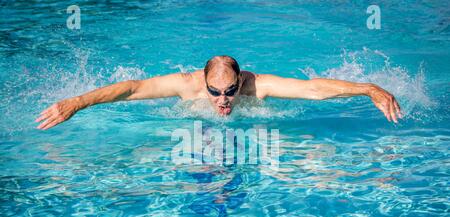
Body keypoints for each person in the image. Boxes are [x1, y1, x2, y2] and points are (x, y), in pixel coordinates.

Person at [35, 55, 402, 130]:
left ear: (241, 82)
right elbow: (131, 89)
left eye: (230, 91)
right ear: (203, 82)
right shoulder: (186, 85)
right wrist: (78, 102)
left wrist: (366, 88)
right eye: (215, 92)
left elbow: (314, 89)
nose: (223, 100)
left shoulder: (257, 87)